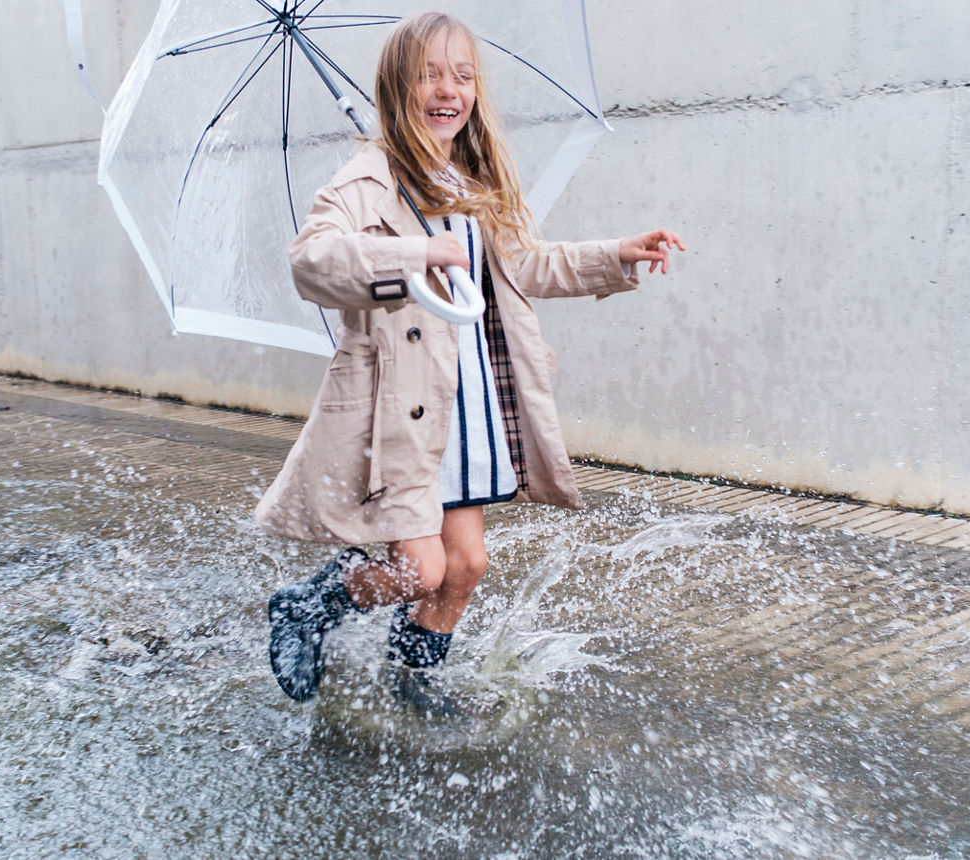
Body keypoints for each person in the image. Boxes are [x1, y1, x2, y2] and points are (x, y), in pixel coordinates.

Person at [257, 12, 683, 708]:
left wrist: (616, 255)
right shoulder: (368, 179)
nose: (447, 89)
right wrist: (413, 253)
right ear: (397, 88)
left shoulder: (469, 182)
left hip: (470, 402)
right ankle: (310, 604)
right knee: (422, 569)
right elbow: (313, 262)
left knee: (466, 566)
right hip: (405, 411)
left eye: (462, 75)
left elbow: (524, 265)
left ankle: (410, 681)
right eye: (428, 74)